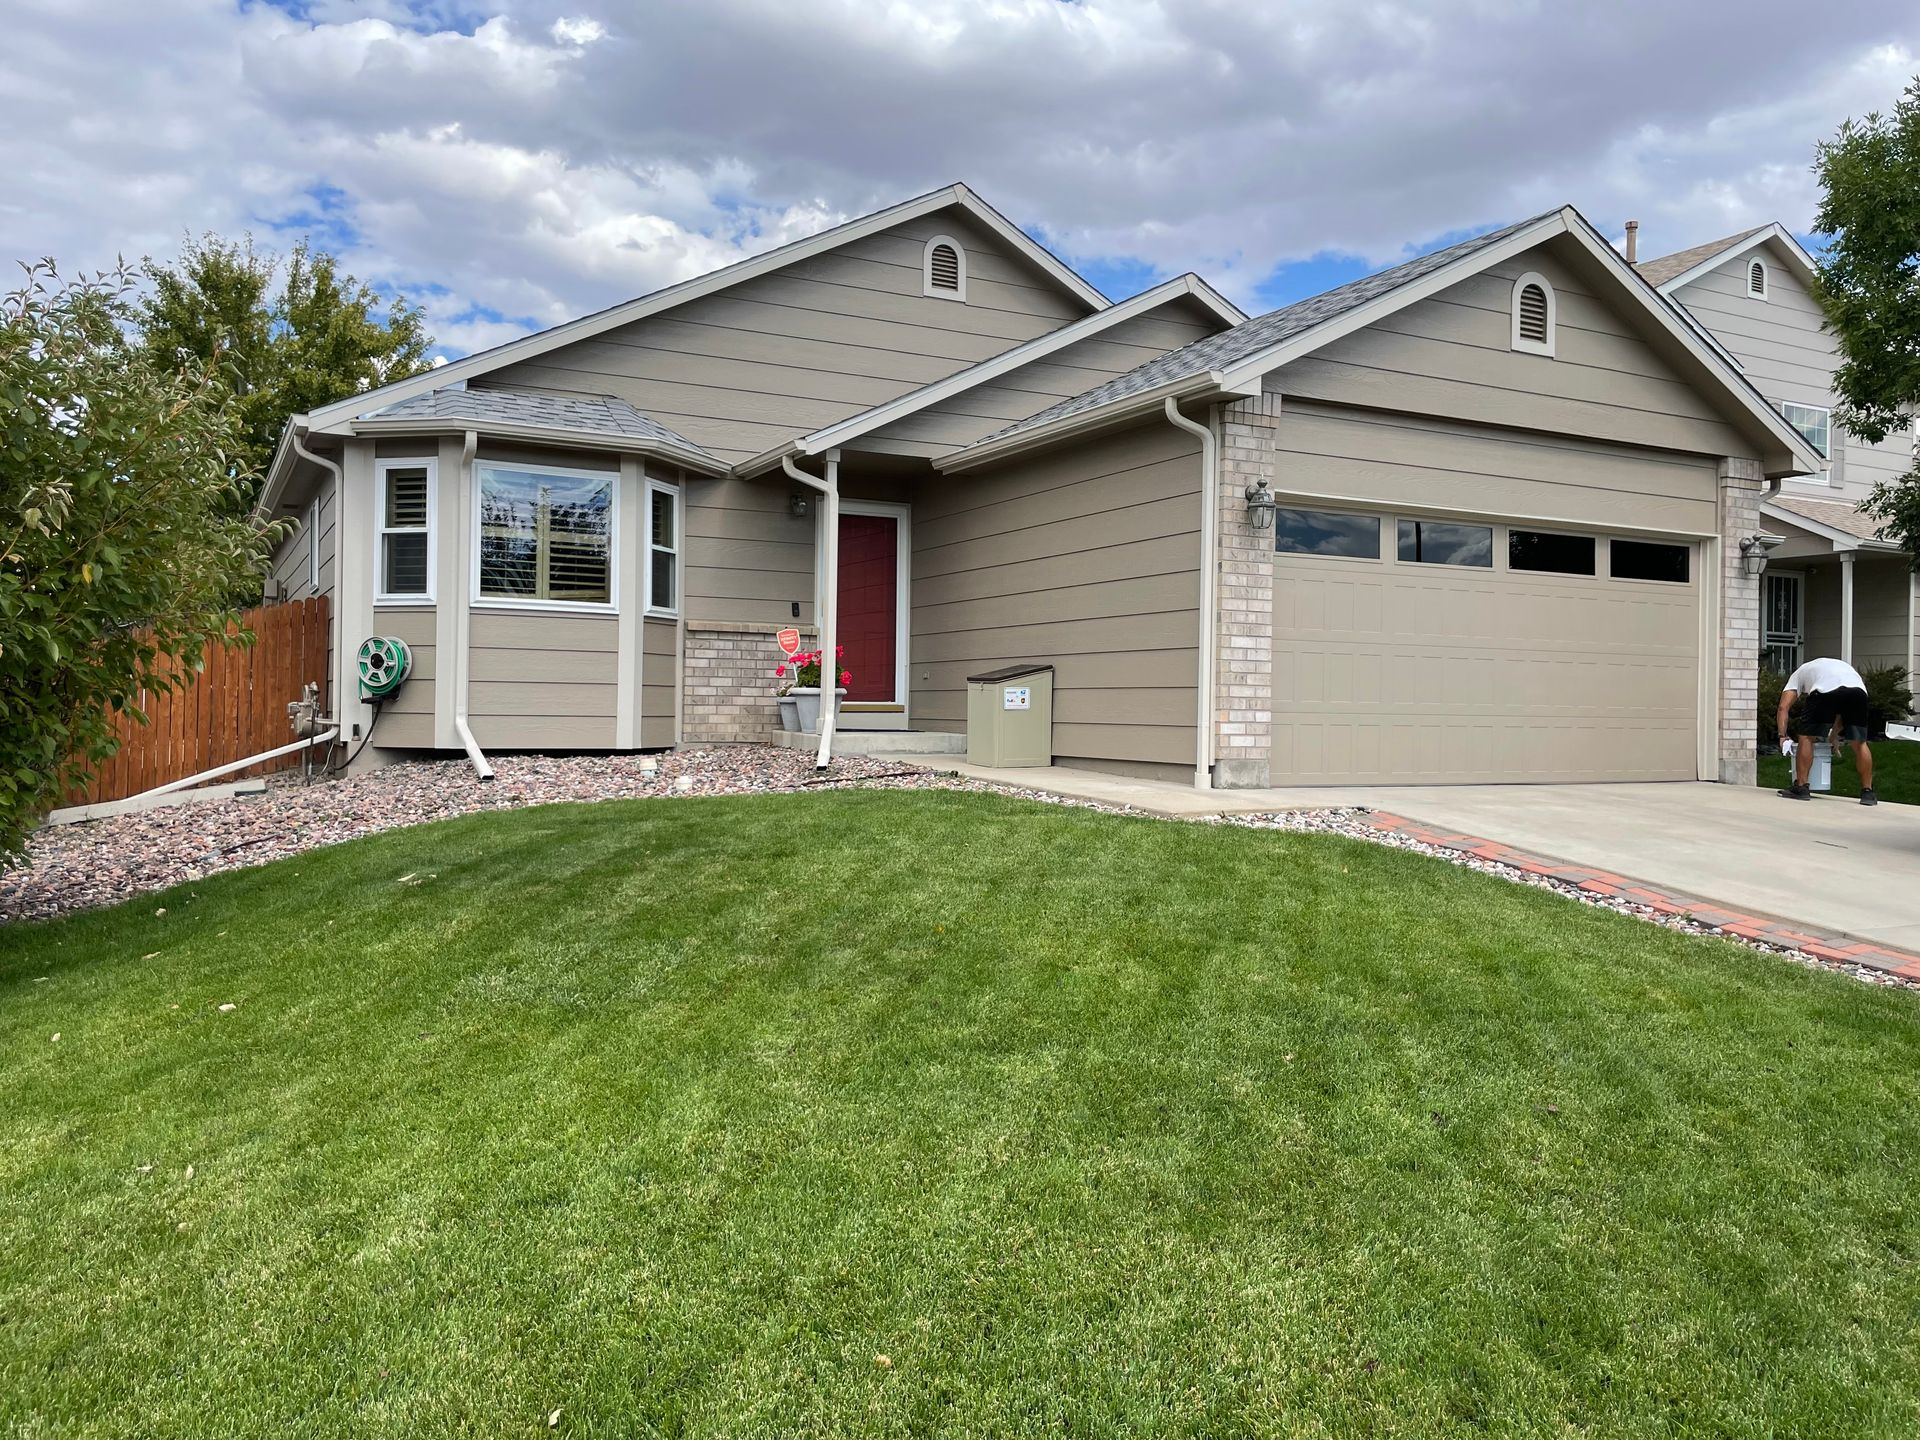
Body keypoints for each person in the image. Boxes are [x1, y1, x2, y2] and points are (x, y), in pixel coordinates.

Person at [1777, 656, 1876, 805]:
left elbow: (1783, 707)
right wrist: (1834, 735)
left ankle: (1801, 787)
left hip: (1824, 691)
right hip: (1858, 692)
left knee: (1806, 737)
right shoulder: (1836, 667)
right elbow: (1840, 705)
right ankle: (1868, 792)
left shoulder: (1798, 675)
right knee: (1860, 743)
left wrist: (1782, 736)